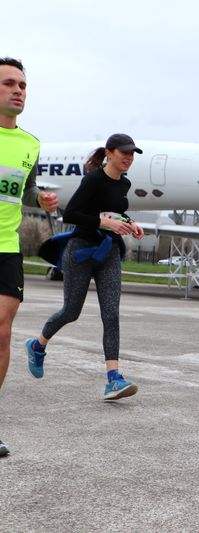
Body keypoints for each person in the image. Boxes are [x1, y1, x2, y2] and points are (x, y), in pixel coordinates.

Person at [25, 133, 145, 402]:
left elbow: (114, 211)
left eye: (132, 154)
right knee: (71, 312)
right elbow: (71, 214)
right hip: (80, 251)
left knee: (111, 314)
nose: (128, 158)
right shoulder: (93, 179)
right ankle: (37, 345)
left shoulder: (124, 183)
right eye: (124, 152)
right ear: (109, 153)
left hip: (108, 252)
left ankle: (113, 378)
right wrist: (105, 223)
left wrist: (130, 224)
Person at [0, 58, 58, 458]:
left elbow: (27, 189)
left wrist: (41, 198)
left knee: (2, 333)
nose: (18, 90)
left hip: (7, 247)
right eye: (9, 83)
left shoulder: (30, 144)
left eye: (22, 85)